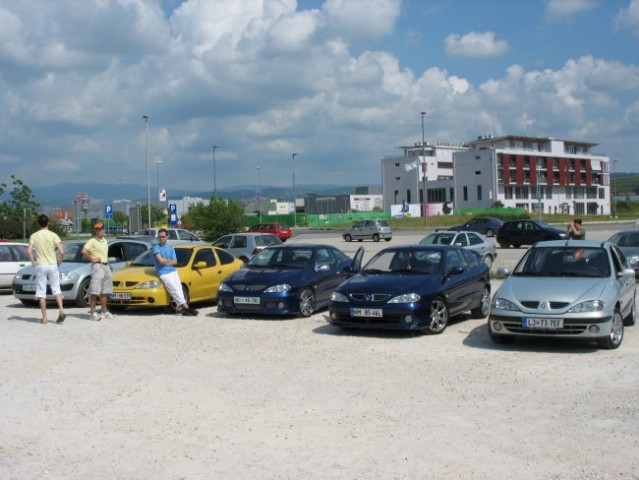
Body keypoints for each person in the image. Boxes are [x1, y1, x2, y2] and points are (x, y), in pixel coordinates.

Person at [27, 214, 67, 324]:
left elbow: (29, 251)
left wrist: (33, 262)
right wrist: (59, 262)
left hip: (40, 265)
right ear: (48, 223)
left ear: (38, 224)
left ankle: (44, 318)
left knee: (41, 291)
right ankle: (61, 310)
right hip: (52, 264)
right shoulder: (53, 235)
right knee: (56, 289)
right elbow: (62, 251)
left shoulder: (34, 236)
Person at [153, 228, 198, 316]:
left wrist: (166, 261)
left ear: (167, 237)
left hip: (173, 271)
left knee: (179, 289)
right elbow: (160, 261)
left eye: (163, 236)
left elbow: (175, 262)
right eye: (160, 237)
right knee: (174, 289)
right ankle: (187, 308)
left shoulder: (171, 248)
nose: (161, 238)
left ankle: (184, 309)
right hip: (163, 273)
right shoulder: (156, 248)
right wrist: (168, 260)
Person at [82, 222, 115, 321]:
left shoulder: (105, 241)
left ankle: (104, 311)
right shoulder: (92, 240)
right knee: (95, 290)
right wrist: (92, 259)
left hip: (105, 266)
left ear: (103, 229)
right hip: (98, 266)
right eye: (96, 229)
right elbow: (84, 251)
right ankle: (92, 313)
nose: (98, 231)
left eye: (100, 229)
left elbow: (104, 254)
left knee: (105, 291)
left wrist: (108, 262)